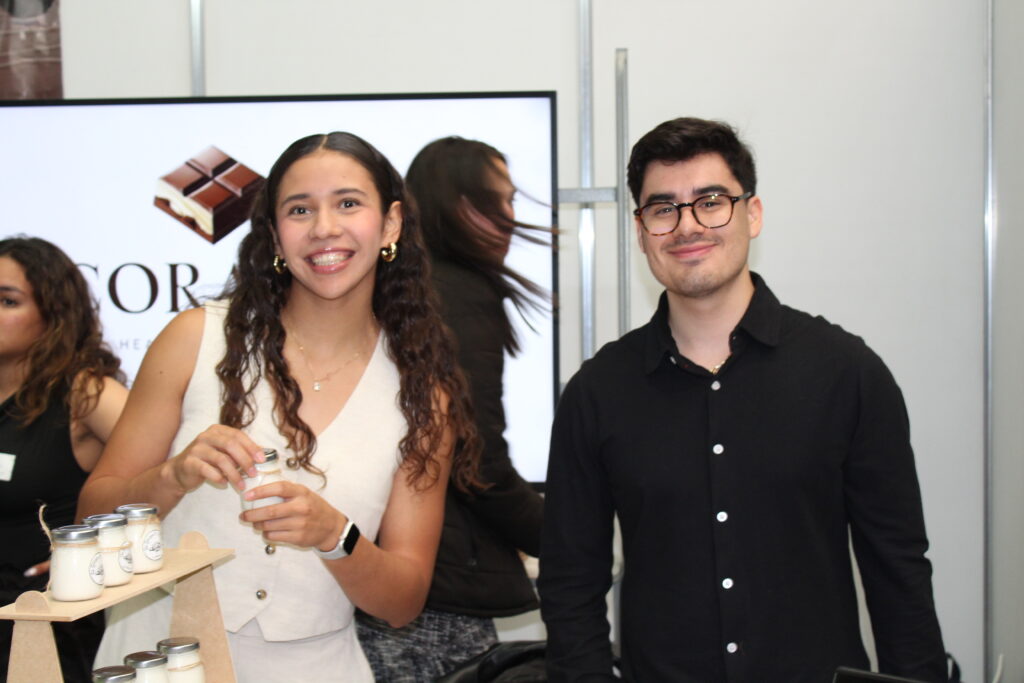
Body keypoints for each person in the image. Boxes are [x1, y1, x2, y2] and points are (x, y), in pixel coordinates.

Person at [537, 117, 947, 682]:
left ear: (752, 214)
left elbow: (898, 569)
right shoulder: (598, 392)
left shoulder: (846, 373)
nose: (687, 225)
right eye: (663, 209)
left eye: (711, 202)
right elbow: (570, 584)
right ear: (641, 231)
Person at [77, 131, 480, 682]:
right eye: (299, 209)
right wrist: (171, 477)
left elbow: (403, 600)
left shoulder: (422, 395)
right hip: (156, 658)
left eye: (348, 203)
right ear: (273, 232)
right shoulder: (196, 339)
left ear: (390, 224)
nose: (324, 228)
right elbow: (91, 516)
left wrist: (336, 536)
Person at [356, 137, 546, 680]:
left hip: (377, 576)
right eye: (496, 201)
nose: (509, 218)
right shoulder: (459, 294)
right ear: (455, 204)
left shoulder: (397, 290)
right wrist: (566, 537)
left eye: (512, 201)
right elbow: (476, 458)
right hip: (437, 592)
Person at [0, 236, 128, 683]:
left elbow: (170, 472)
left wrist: (104, 550)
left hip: (48, 630)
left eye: (7, 300)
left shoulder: (86, 393)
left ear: (54, 313)